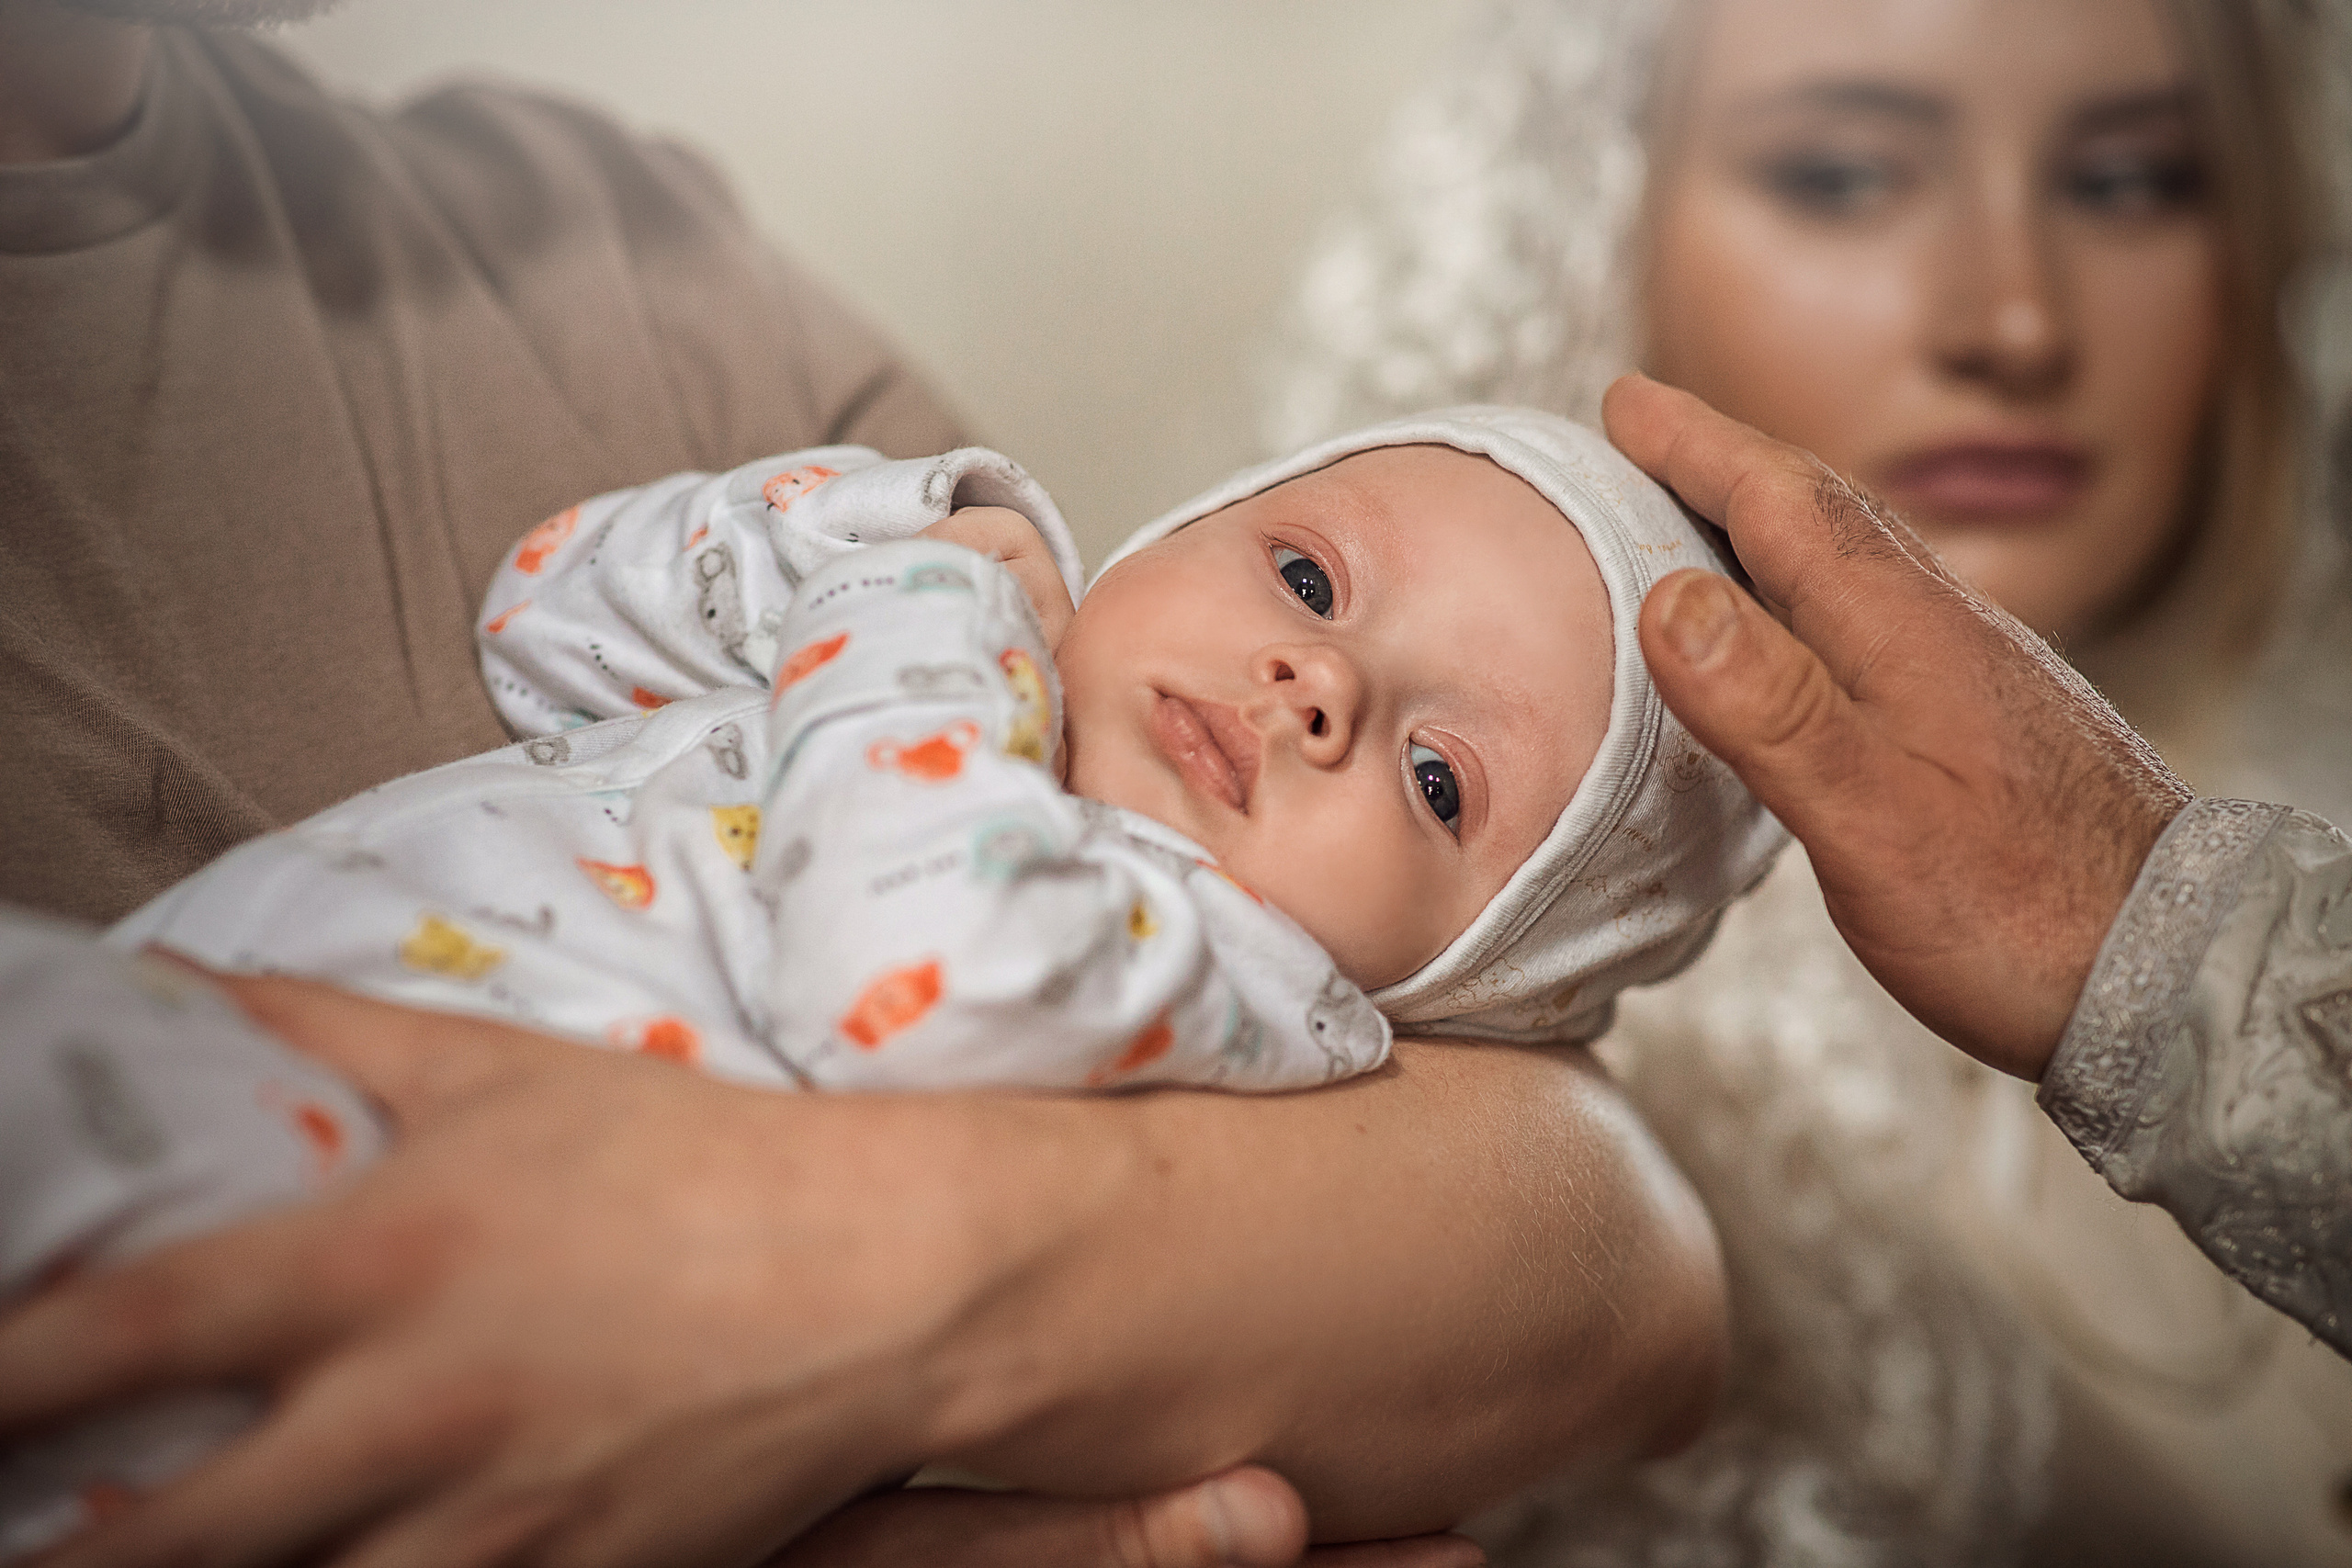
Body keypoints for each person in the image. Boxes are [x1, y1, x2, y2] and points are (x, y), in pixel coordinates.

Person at [0, 2, 1734, 1562]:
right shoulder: (985, 666)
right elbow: (545, 623)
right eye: (1302, 579)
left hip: (308, 1206)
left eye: (1439, 781)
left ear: (1457, 984)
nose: (1318, 685)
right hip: (193, 1032)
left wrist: (919, 604)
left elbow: (902, 987)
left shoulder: (1215, 968)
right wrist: (897, 523)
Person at [1275, 0, 2352, 1561]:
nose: (2015, 319)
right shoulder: (1385, 915)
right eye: (1843, 177)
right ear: (1582, 216)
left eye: (2127, 184)